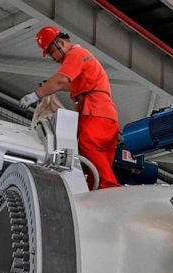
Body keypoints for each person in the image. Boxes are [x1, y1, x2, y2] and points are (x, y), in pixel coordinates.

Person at [20, 26, 121, 189]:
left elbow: (61, 80)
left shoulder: (75, 54)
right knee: (95, 163)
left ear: (60, 42)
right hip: (107, 114)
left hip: (94, 110)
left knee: (89, 146)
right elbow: (66, 84)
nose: (53, 58)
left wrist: (36, 95)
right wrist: (49, 87)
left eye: (51, 51)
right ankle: (98, 191)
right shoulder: (85, 59)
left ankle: (110, 187)